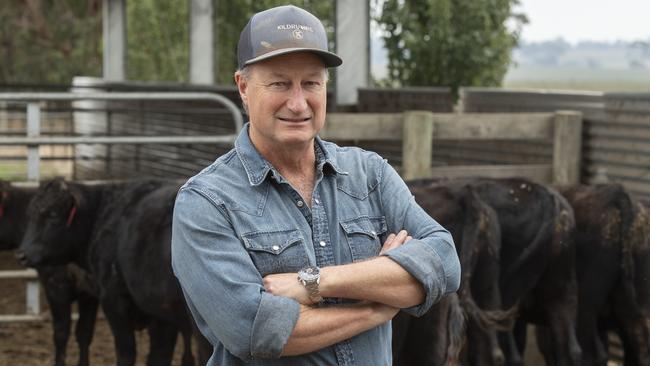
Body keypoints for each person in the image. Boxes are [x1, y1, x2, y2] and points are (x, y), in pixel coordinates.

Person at [171, 5, 460, 365]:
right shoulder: (206, 201)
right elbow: (254, 330)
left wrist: (315, 282)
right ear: (243, 87)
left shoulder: (369, 174)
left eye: (311, 83)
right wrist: (376, 309)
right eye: (279, 83)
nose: (297, 103)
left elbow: (445, 263)